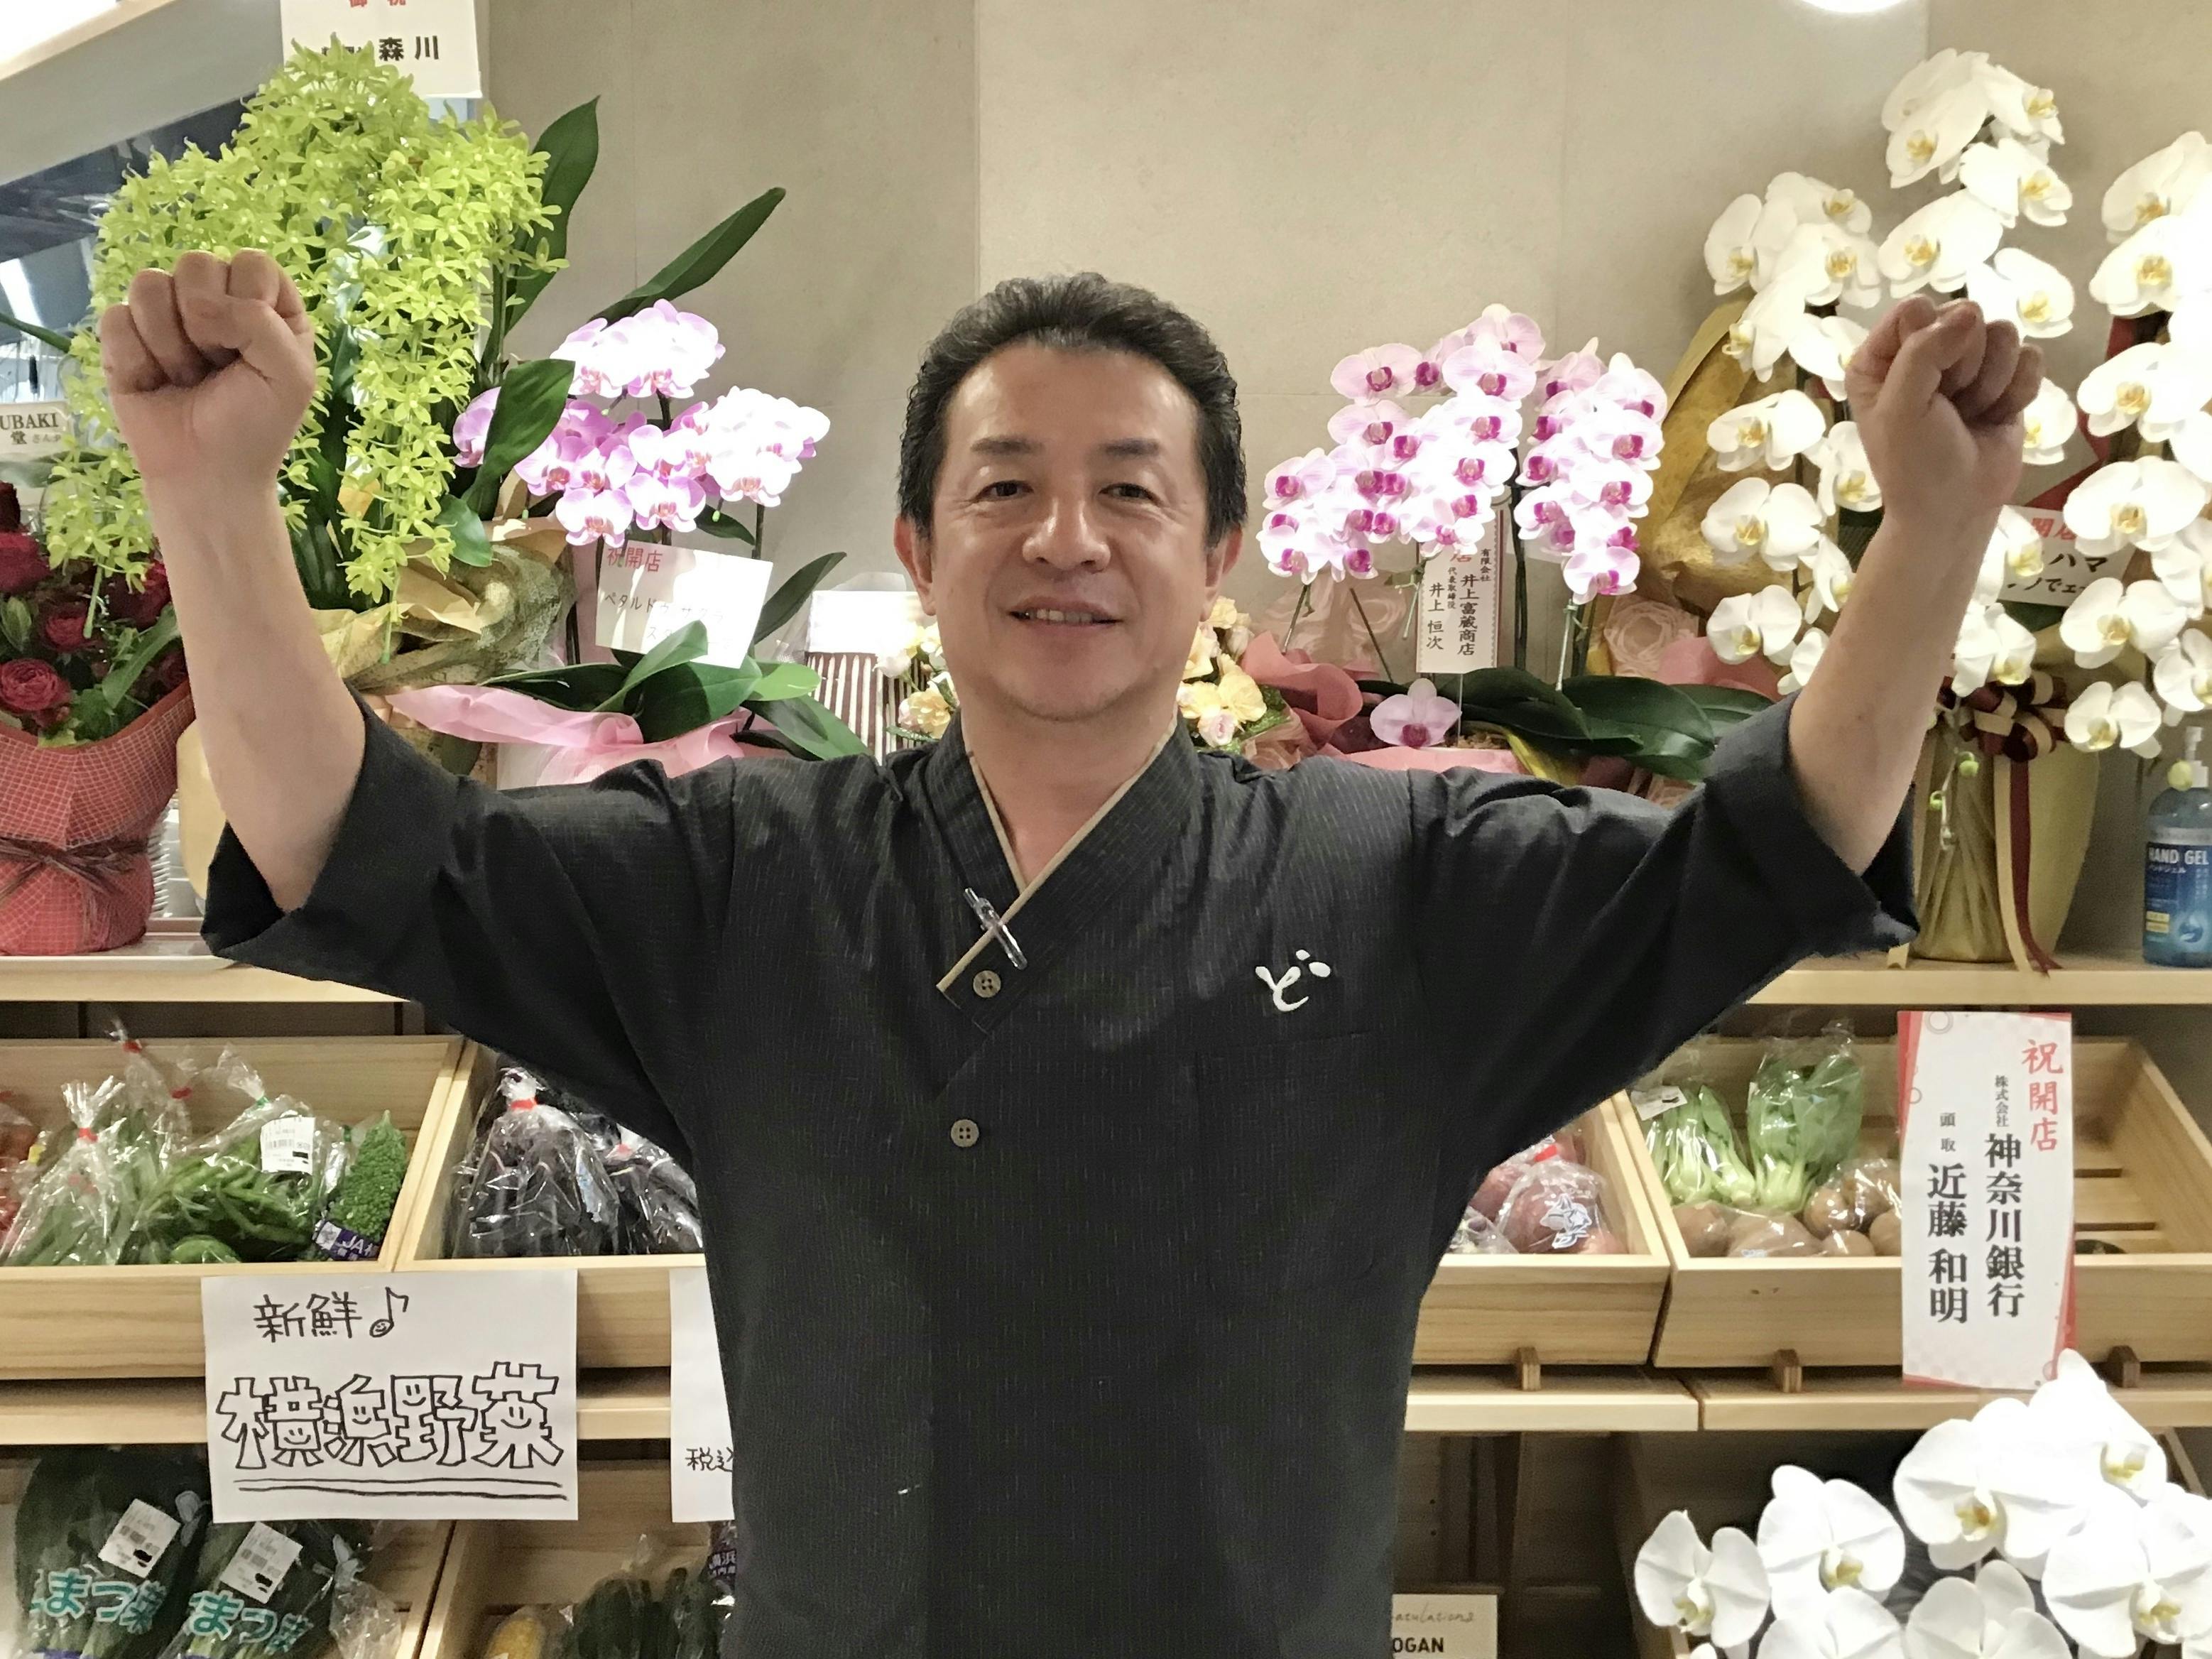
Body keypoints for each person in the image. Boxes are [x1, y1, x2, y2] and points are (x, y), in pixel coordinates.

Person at [102, 252, 2037, 1658]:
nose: (1065, 538)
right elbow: (363, 854)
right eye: (1005, 486)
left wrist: (1934, 530)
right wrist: (207, 493)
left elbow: (1770, 859)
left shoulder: (1397, 883)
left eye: (1129, 488)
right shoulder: (745, 880)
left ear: (1218, 553)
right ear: (917, 545)